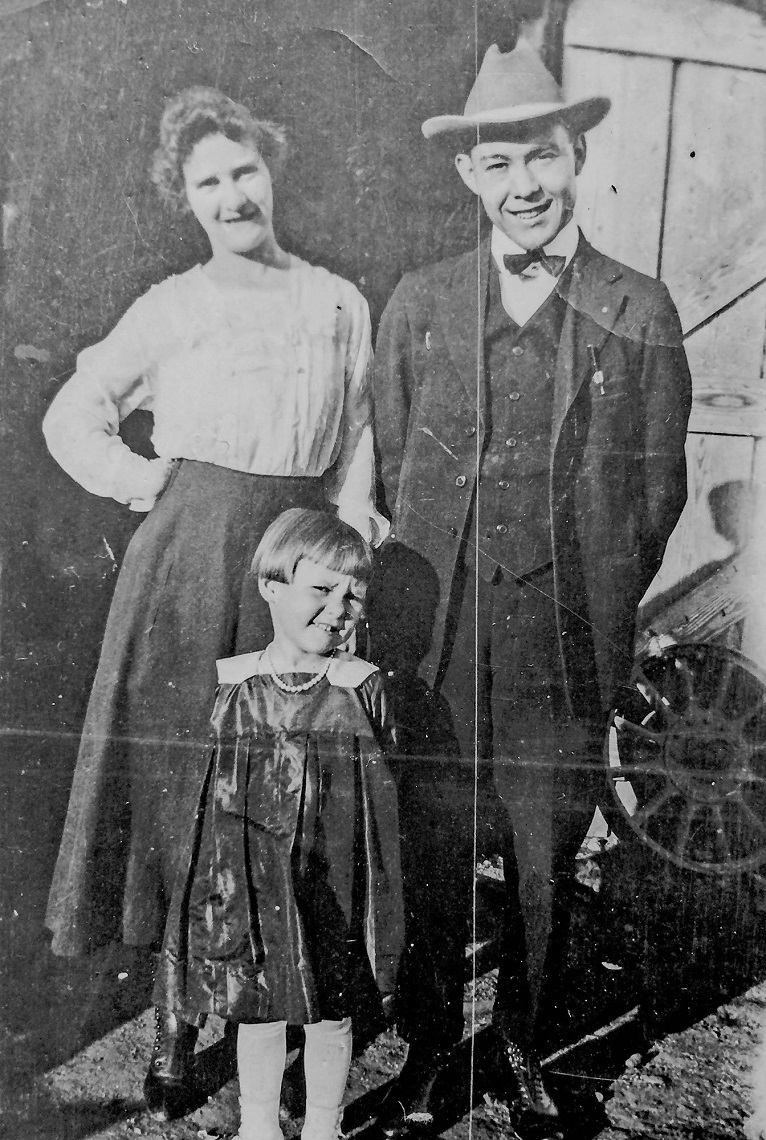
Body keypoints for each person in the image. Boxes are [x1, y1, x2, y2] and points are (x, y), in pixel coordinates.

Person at [42, 87, 387, 1118]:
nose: (231, 194)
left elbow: (358, 432)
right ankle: (171, 1028)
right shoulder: (173, 305)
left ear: (272, 173)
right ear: (185, 200)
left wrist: (349, 533)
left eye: (244, 172)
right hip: (187, 569)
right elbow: (75, 414)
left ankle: (265, 1022)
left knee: (276, 797)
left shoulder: (335, 299)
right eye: (208, 183)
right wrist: (156, 487)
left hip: (290, 568)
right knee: (183, 788)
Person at [371, 39, 692, 1138]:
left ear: (577, 155)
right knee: (431, 851)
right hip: (439, 640)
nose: (522, 186)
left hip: (557, 640)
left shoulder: (635, 310)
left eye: (541, 158)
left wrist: (588, 598)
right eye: (498, 164)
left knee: (550, 858)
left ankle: (535, 1051)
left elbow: (654, 498)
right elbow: (387, 455)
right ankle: (427, 1051)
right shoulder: (419, 303)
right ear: (467, 175)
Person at [154, 508, 403, 1140]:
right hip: (254, 879)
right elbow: (207, 798)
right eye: (320, 590)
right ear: (271, 586)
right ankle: (258, 1127)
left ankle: (324, 1126)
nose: (338, 609)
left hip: (334, 877)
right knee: (257, 1008)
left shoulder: (361, 685)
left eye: (354, 595)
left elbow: (384, 788)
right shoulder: (232, 681)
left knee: (332, 1013)